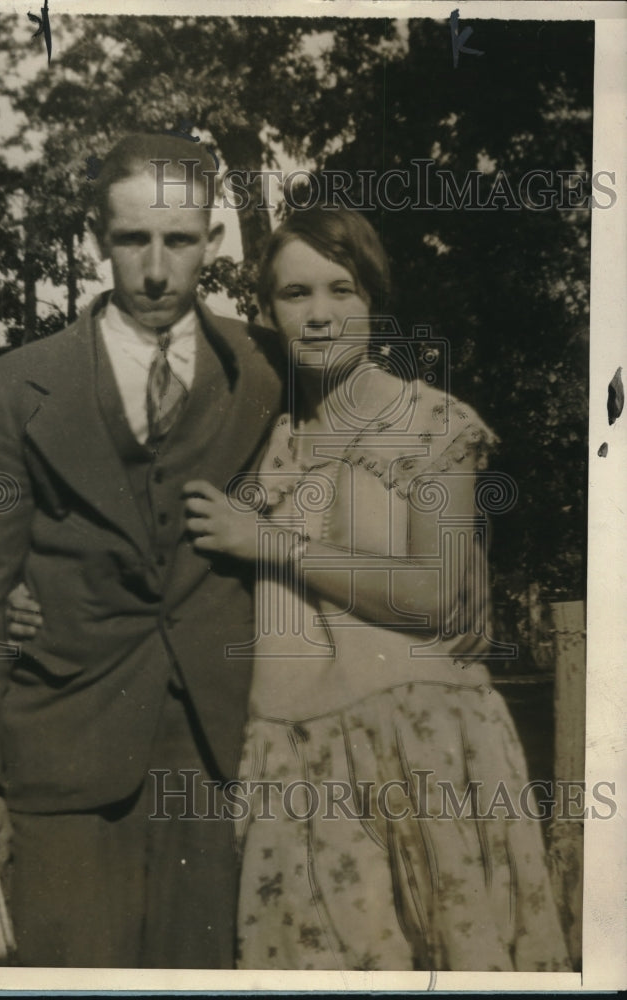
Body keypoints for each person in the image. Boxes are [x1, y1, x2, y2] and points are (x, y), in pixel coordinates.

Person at [180, 206, 572, 971]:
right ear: (265, 311)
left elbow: (441, 598)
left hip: (421, 749)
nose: (321, 314)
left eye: (342, 289)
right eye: (295, 295)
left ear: (373, 301)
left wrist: (267, 541)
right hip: (292, 763)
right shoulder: (258, 442)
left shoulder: (431, 421)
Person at [0, 132, 284, 968]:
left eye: (180, 240)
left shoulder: (268, 371)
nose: (157, 269)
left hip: (220, 748)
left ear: (212, 239)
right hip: (65, 745)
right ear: (98, 240)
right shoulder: (13, 385)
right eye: (133, 240)